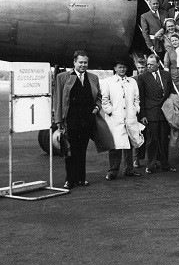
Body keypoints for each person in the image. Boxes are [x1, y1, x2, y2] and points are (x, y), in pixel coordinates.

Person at [52, 50, 101, 189]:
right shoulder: (62, 77)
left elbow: (99, 97)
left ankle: (81, 178)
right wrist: (58, 121)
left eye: (85, 62)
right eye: (80, 62)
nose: (83, 65)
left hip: (87, 119)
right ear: (74, 62)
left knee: (82, 150)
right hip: (70, 119)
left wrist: (97, 108)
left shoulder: (93, 78)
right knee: (70, 150)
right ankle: (70, 179)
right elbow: (58, 100)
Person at [101, 58, 141, 180]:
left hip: (129, 117)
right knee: (115, 145)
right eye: (119, 67)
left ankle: (129, 169)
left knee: (129, 143)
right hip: (115, 118)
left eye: (124, 67)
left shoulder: (132, 82)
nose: (122, 69)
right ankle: (113, 170)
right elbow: (104, 99)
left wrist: (135, 110)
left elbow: (136, 98)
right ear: (115, 68)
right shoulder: (109, 81)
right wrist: (110, 111)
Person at [138, 54, 176, 174]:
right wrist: (143, 115)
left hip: (165, 112)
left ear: (158, 64)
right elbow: (141, 97)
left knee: (164, 139)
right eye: (147, 64)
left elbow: (171, 91)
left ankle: (165, 164)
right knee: (152, 140)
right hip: (151, 112)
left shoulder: (166, 75)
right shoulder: (143, 77)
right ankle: (151, 164)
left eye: (151, 64)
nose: (148, 66)